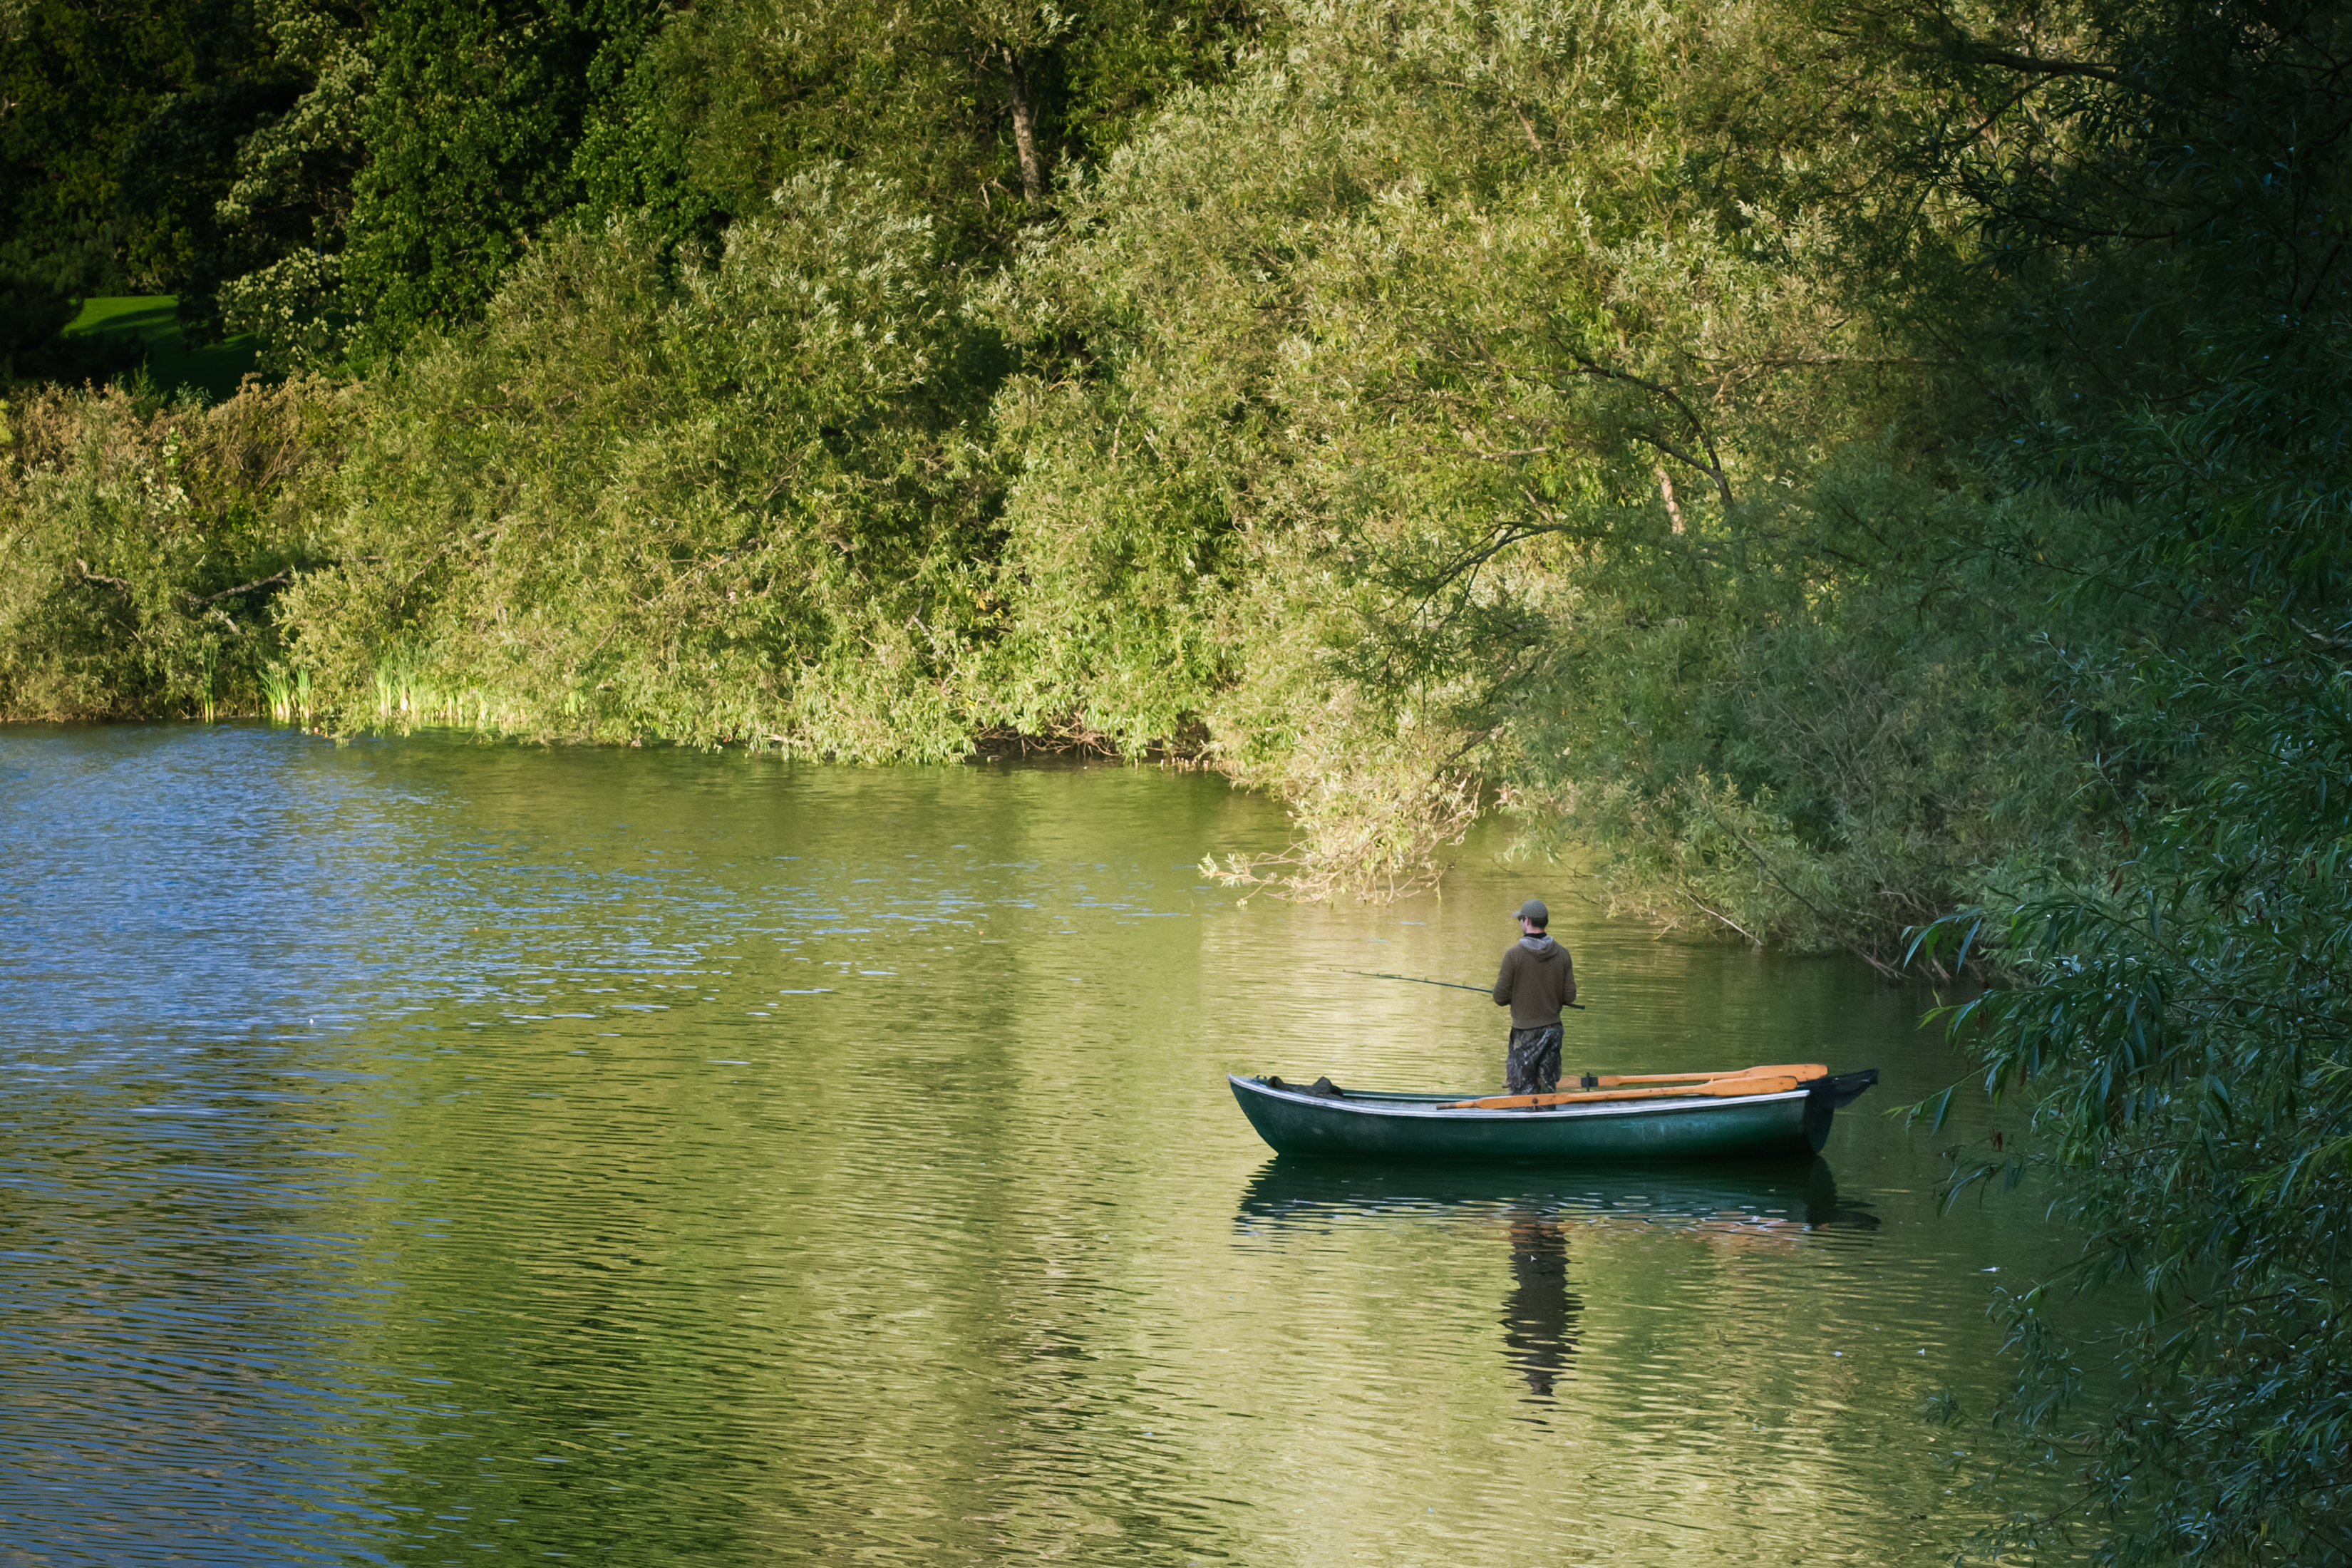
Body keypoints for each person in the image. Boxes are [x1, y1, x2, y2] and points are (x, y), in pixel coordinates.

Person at [1492, 898, 1575, 1093]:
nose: (1520, 922)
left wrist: (1516, 993)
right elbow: (1570, 997)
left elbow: (1499, 998)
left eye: (1520, 918)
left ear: (1527, 921)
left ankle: (1522, 1120)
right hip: (1553, 1032)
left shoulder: (1513, 955)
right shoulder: (1563, 954)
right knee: (1547, 1090)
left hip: (1524, 1033)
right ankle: (1547, 1119)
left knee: (1521, 1092)